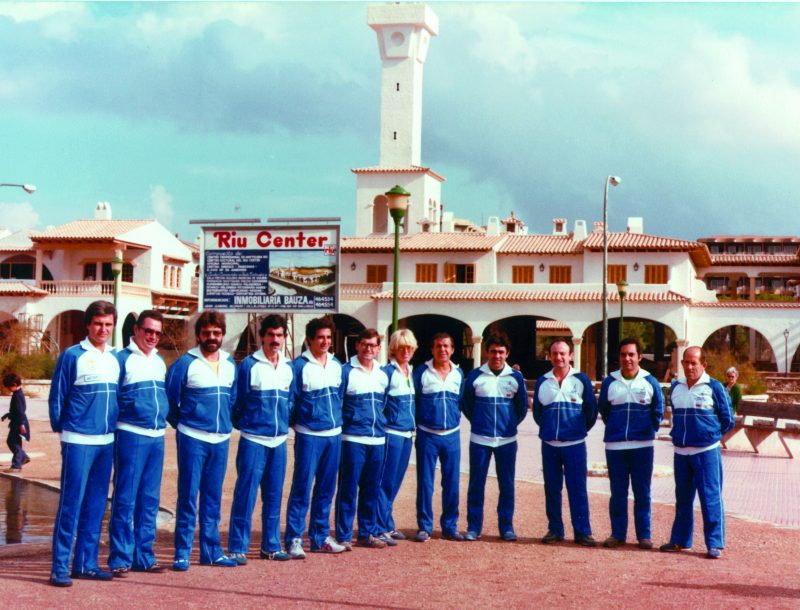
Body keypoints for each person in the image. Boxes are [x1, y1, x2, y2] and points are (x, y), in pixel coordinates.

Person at [48, 300, 120, 587]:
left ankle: (86, 564)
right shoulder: (72, 355)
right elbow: (57, 396)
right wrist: (64, 431)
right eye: (98, 324)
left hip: (106, 442)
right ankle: (59, 567)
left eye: (108, 325)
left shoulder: (116, 359)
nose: (103, 329)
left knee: (95, 505)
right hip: (78, 439)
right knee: (71, 504)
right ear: (88, 325)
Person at [166, 310, 238, 570]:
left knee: (212, 496)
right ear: (198, 335)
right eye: (206, 333)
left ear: (222, 335)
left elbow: (233, 400)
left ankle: (211, 551)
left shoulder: (231, 365)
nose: (211, 337)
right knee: (187, 495)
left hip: (220, 439)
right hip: (192, 438)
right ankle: (182, 552)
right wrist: (187, 425)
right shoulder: (185, 363)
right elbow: (170, 402)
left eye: (216, 333)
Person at [228, 314, 295, 564]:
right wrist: (249, 425)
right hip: (253, 440)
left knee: (274, 495)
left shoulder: (289, 367)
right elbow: (237, 402)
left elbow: (292, 401)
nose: (275, 340)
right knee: (245, 494)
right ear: (262, 337)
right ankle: (237, 547)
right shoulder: (249, 365)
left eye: (279, 335)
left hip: (279, 442)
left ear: (284, 338)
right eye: (271, 335)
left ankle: (270, 546)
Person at [108, 310, 169, 576]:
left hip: (157, 436)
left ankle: (144, 556)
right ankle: (120, 557)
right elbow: (113, 400)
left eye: (157, 332)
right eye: (148, 331)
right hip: (131, 434)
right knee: (125, 498)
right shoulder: (121, 359)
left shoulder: (159, 361)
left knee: (150, 499)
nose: (153, 337)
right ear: (136, 330)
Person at [660, 346, 734, 559]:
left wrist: (709, 436)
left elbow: (727, 419)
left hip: (706, 452)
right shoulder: (676, 387)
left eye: (694, 363)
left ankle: (714, 543)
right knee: (682, 498)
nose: (690, 367)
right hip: (681, 453)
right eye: (686, 362)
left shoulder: (715, 387)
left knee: (710, 497)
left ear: (704, 364)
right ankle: (681, 540)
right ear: (682, 364)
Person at [284, 317, 346, 557]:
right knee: (302, 487)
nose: (325, 342)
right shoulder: (298, 366)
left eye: (329, 338)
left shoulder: (336, 364)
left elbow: (339, 396)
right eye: (320, 337)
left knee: (326, 489)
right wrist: (303, 423)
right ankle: (295, 538)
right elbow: (291, 402)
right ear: (309, 340)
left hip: (333, 435)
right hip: (309, 435)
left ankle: (320, 537)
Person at [598, 338, 664, 550]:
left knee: (642, 492)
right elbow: (604, 411)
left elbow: (658, 410)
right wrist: (617, 429)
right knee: (618, 493)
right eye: (623, 355)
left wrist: (646, 431)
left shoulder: (649, 381)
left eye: (631, 355)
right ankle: (617, 534)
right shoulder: (610, 381)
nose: (627, 359)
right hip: (616, 447)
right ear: (619, 357)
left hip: (642, 446)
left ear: (639, 357)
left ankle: (644, 535)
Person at [461, 333, 528, 542]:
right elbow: (467, 406)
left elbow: (522, 408)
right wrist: (481, 422)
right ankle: (473, 526)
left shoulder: (515, 377)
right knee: (476, 484)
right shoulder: (475, 375)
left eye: (501, 352)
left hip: (507, 441)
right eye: (493, 351)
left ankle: (506, 527)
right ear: (487, 352)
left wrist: (507, 426)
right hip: (480, 439)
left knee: (506, 484)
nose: (497, 355)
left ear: (507, 353)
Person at [532, 337, 598, 547]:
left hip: (575, 445)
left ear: (571, 355)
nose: (559, 357)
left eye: (563, 353)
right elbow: (538, 413)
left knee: (577, 489)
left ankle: (582, 532)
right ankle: (555, 529)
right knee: (552, 489)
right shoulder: (543, 380)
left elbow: (591, 411)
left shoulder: (581, 380)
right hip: (550, 445)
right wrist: (550, 429)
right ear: (549, 356)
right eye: (555, 353)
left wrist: (577, 431)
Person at [335, 328, 390, 549]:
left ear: (378, 348)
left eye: (373, 345)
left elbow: (383, 403)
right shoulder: (345, 371)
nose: (368, 349)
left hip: (377, 439)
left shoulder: (382, 373)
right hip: (353, 439)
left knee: (371, 489)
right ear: (357, 346)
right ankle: (344, 535)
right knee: (348, 488)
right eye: (364, 344)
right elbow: (339, 403)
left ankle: (367, 532)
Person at [413, 332, 465, 542]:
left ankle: (450, 526)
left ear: (452, 349)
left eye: (446, 346)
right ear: (432, 349)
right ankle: (424, 526)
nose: (442, 350)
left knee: (452, 482)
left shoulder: (459, 374)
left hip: (451, 435)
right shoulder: (422, 372)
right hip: (427, 435)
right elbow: (414, 400)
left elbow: (461, 402)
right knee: (425, 482)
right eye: (438, 346)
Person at [376, 329, 418, 543]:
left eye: (409, 347)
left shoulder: (410, 371)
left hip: (407, 434)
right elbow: (380, 405)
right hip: (391, 433)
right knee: (386, 480)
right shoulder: (388, 372)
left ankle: (387, 522)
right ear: (393, 349)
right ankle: (379, 525)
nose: (406, 351)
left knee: (396, 481)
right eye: (401, 348)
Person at [3, 373, 30, 473]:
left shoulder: (18, 396)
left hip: (19, 422)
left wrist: (22, 424)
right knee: (12, 441)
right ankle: (23, 457)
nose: (8, 389)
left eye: (9, 387)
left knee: (14, 442)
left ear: (14, 384)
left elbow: (20, 411)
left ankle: (16, 465)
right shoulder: (17, 393)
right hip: (17, 421)